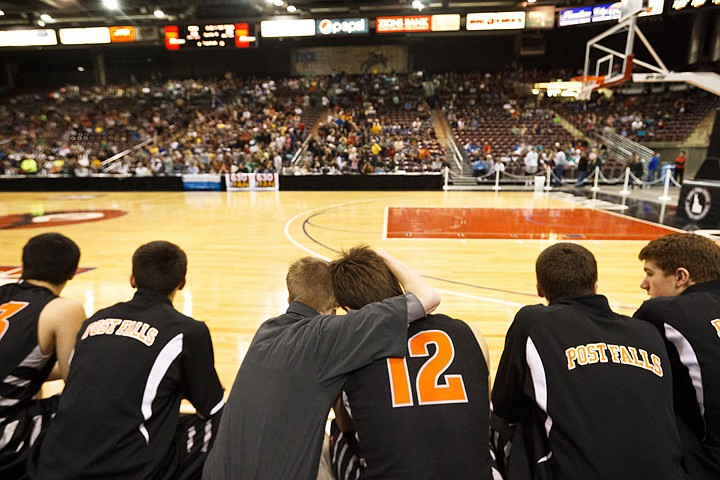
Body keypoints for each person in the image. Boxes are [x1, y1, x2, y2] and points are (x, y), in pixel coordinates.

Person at [202, 253, 440, 480]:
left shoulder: (265, 331)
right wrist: (384, 257)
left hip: (216, 472)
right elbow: (427, 298)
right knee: (336, 444)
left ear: (290, 299)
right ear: (336, 302)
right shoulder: (327, 334)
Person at [29, 241, 224, 480]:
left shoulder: (95, 320)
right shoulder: (188, 331)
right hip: (126, 469)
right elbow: (211, 407)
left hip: (53, 463)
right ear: (182, 282)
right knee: (224, 424)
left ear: (132, 279)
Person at [491, 243, 687, 480]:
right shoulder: (646, 331)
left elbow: (504, 405)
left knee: (501, 422)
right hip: (668, 472)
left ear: (540, 289)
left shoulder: (534, 321)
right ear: (595, 286)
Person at [328, 245, 493, 479]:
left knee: (336, 430)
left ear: (349, 310)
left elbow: (348, 426)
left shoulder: (351, 355)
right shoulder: (470, 333)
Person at [0, 233, 85, 480]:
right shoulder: (64, 309)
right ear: (72, 272)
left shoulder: (5, 293)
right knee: (88, 407)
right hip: (6, 438)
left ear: (23, 264)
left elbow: (17, 366)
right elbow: (76, 381)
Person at [635, 233, 720, 478]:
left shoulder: (663, 311)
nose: (644, 284)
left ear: (681, 277)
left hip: (706, 465)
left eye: (650, 274)